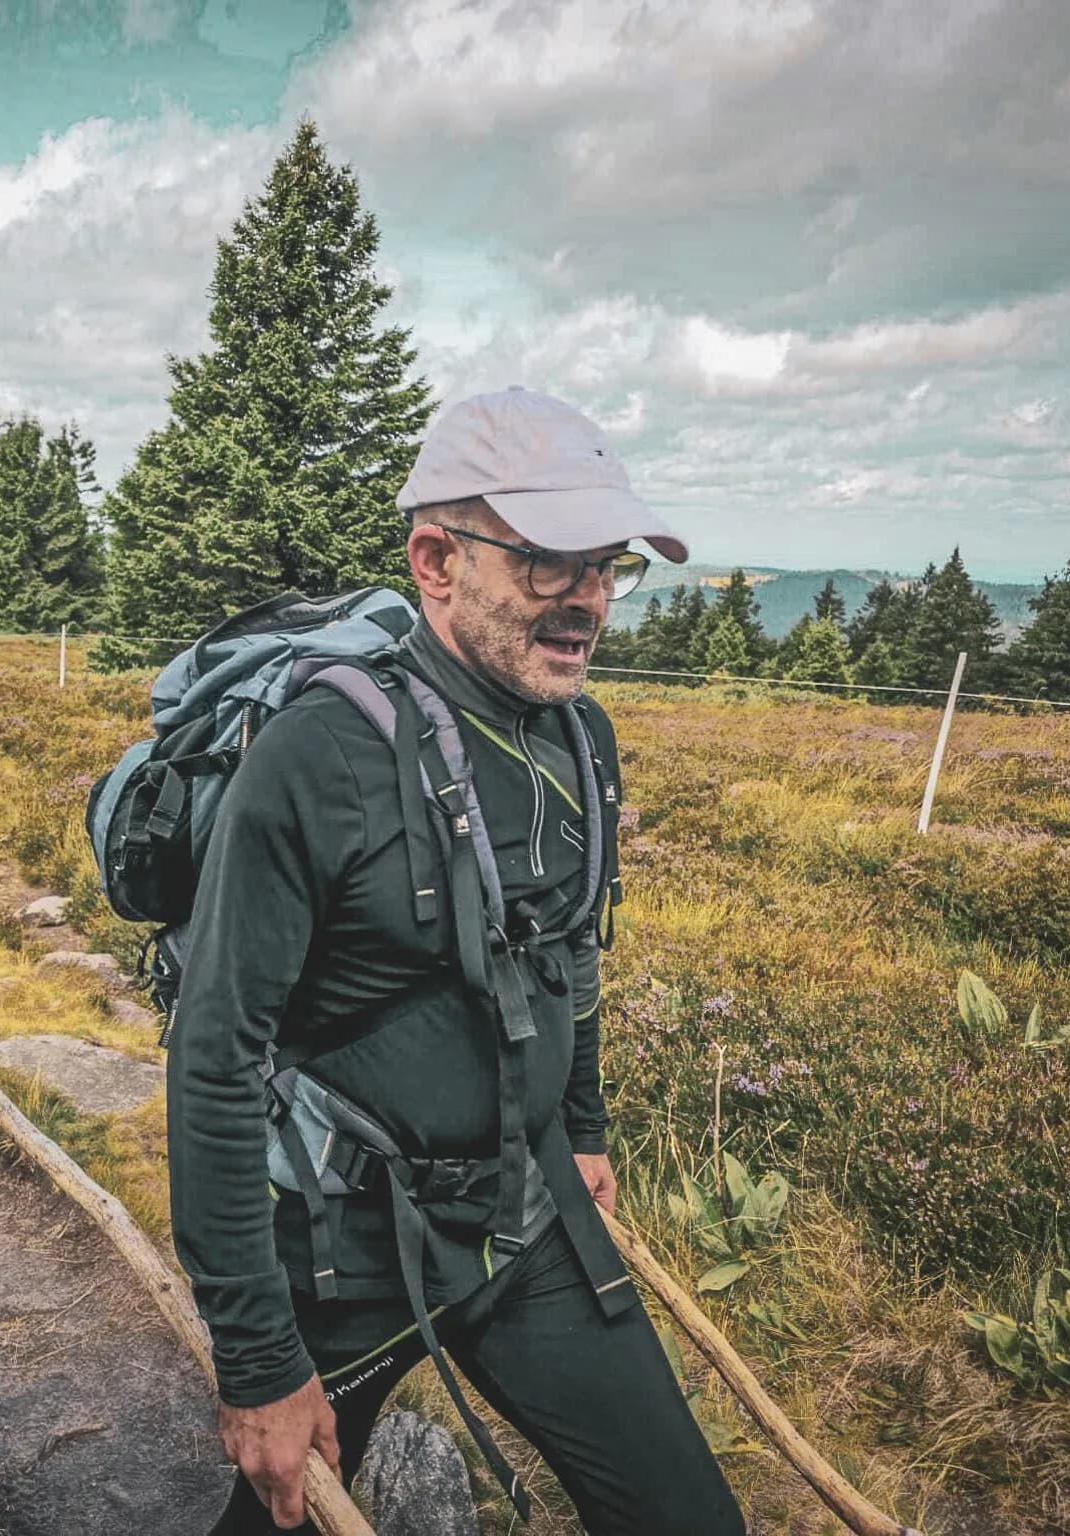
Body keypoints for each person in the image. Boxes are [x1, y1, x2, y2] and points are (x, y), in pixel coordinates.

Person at [168, 387, 746, 1534]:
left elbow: (567, 952)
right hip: (344, 1251)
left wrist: (579, 1128)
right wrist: (256, 1360)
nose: (585, 598)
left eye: (605, 564)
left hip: (522, 1214)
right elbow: (215, 1057)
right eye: (547, 563)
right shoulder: (320, 755)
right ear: (435, 559)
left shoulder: (580, 738)